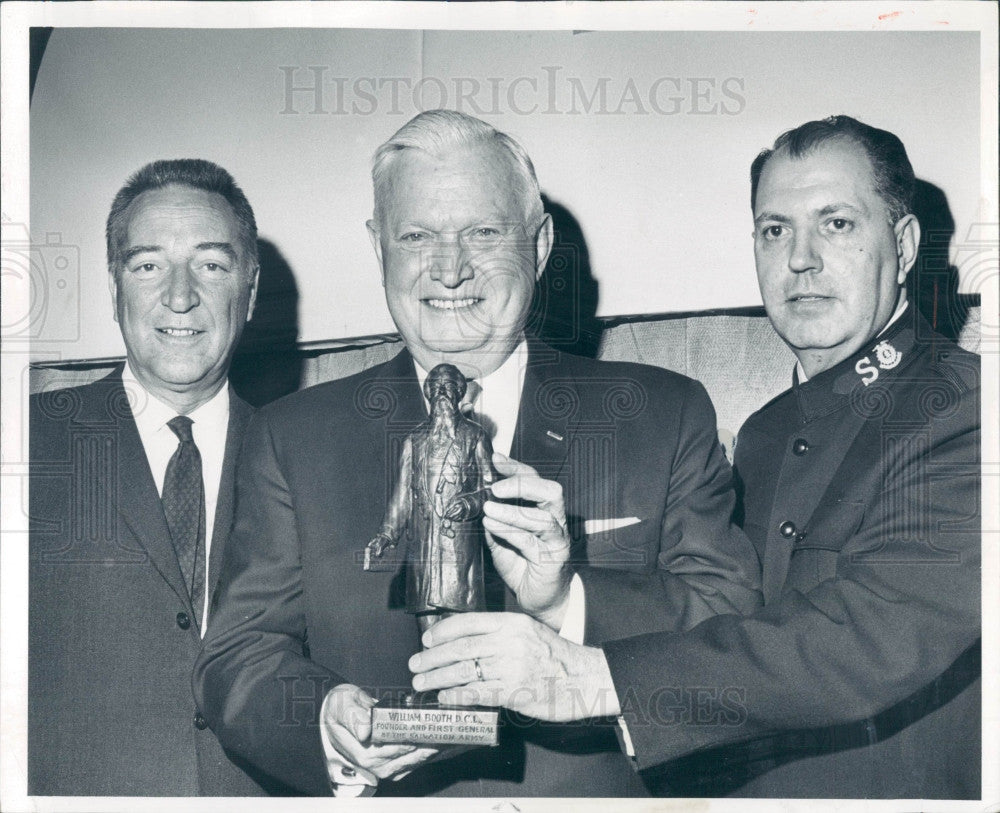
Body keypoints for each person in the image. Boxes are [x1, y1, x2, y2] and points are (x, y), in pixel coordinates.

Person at [194, 109, 761, 797]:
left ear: (540, 244)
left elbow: (734, 631)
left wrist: (568, 605)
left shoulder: (661, 414)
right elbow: (237, 657)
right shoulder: (293, 436)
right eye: (417, 236)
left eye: (484, 232)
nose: (451, 268)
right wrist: (324, 723)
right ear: (380, 249)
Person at [411, 115, 981, 799]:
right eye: (775, 230)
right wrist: (563, 596)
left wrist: (587, 678)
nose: (799, 258)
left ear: (907, 243)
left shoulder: (966, 406)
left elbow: (868, 635)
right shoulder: (767, 430)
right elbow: (720, 617)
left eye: (836, 224)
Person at [29, 159, 280, 795]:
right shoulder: (27, 442)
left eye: (211, 265)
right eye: (148, 266)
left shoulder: (302, 453)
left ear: (249, 291)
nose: (179, 296)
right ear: (115, 288)